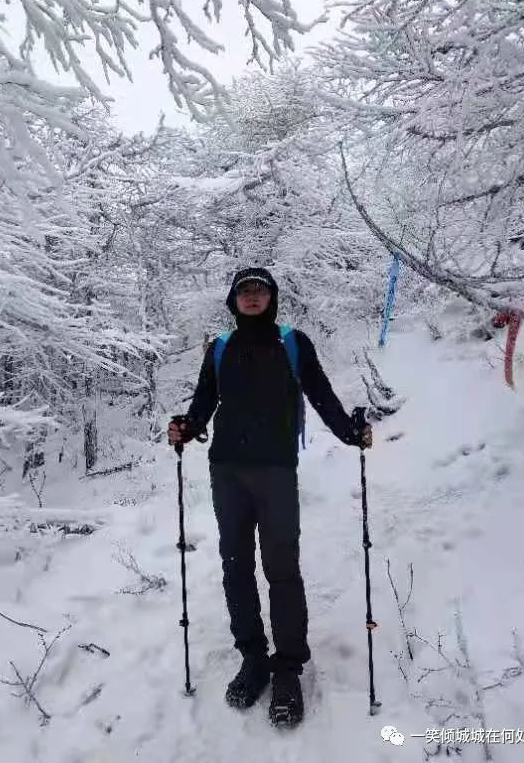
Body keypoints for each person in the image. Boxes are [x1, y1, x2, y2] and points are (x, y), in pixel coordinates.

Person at [168, 267, 372, 726]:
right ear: (233, 300)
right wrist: (185, 427)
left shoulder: (293, 343)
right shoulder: (220, 348)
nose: (252, 296)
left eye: (260, 290)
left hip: (276, 472)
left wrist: (350, 432)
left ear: (272, 297)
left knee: (282, 569)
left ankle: (288, 669)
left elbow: (321, 394)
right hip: (227, 472)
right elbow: (204, 402)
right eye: (244, 291)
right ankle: (254, 659)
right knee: (236, 567)